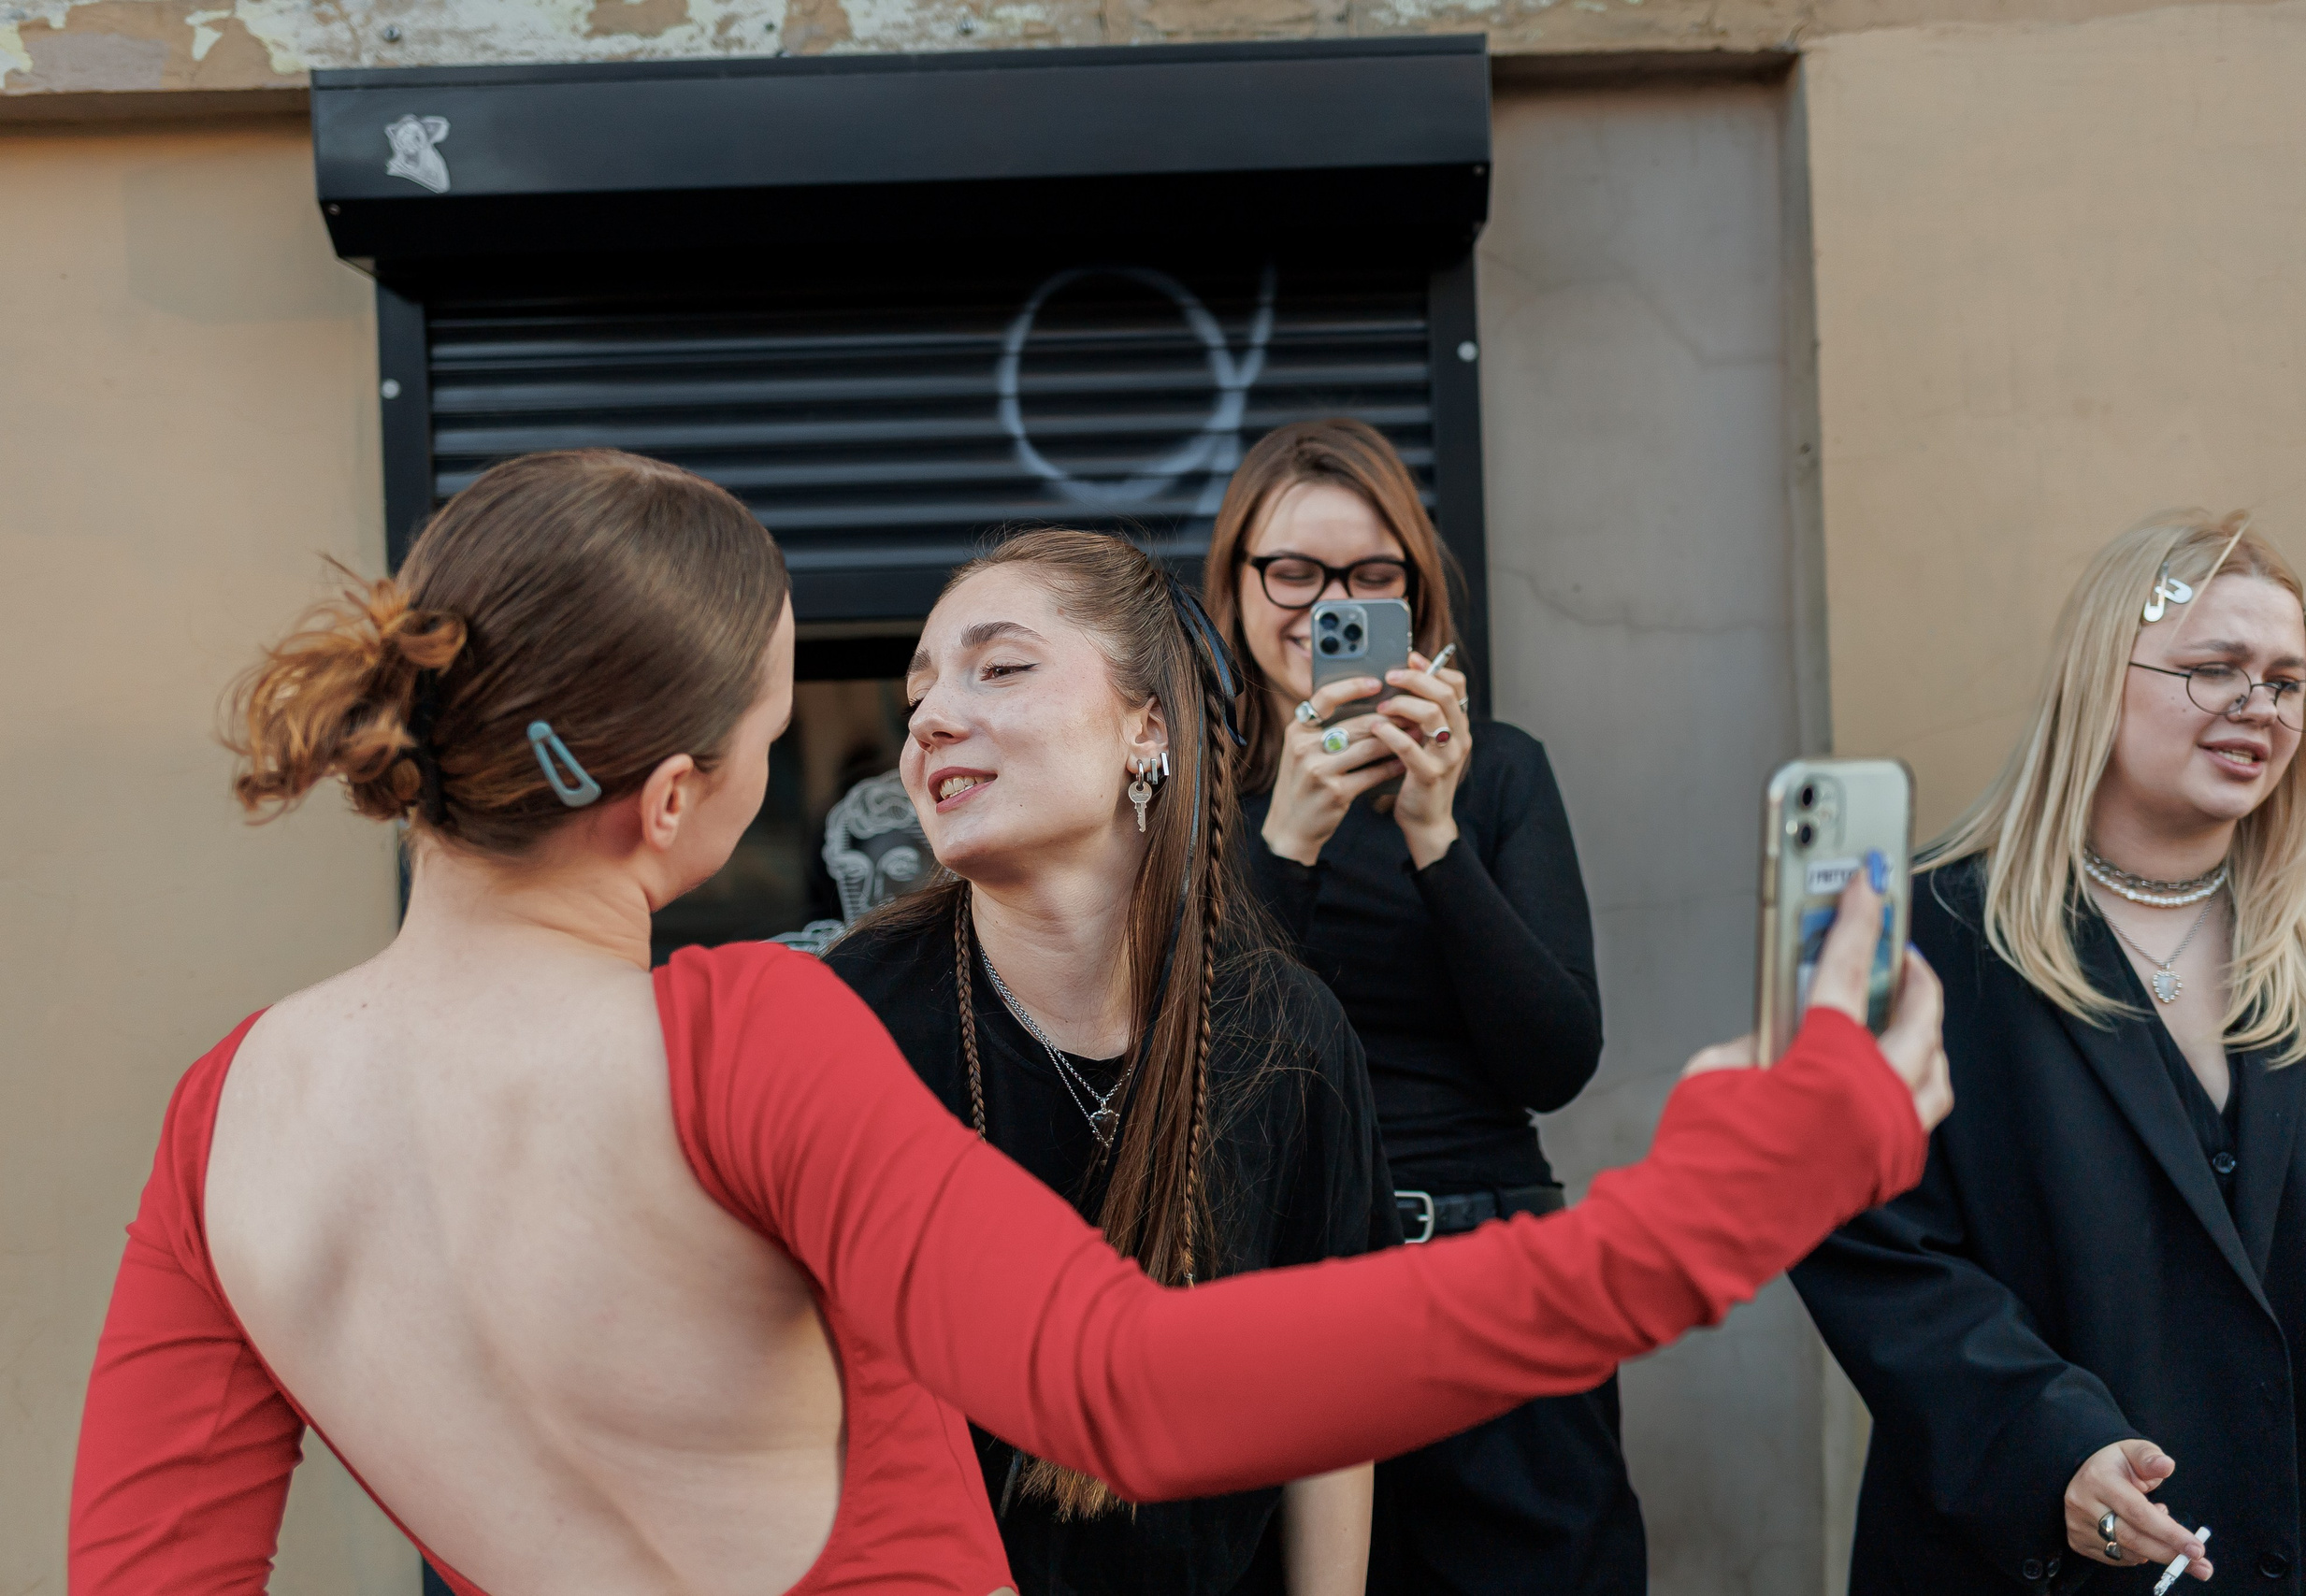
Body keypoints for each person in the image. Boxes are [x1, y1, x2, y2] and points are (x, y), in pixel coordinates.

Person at [69, 447, 1948, 1596]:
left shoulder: (227, 1114)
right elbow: (1136, 1386)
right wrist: (1734, 1190)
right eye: (773, 712)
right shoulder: (747, 1039)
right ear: (669, 801)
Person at [1793, 510, 2306, 1595]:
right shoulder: (1926, 940)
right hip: (2032, 1564)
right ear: (2095, 678)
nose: (2257, 707)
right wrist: (2044, 1443)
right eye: (2214, 670)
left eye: (2287, 681)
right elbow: (1867, 1246)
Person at [823, 529, 1399, 1596]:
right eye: (918, 696)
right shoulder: (844, 1018)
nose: (932, 717)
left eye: (999, 668)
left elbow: (1330, 1405)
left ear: (1148, 728)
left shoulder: (1285, 1033)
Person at [1203, 417, 1634, 1594]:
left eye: (1369, 577)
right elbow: (1191, 1066)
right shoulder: (1185, 789)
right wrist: (1283, 837)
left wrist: (1434, 835)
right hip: (1274, 1291)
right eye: (1290, 571)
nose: (1323, 603)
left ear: (1416, 594)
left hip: (1488, 1270)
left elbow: (1554, 1057)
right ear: (1236, 581)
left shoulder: (1495, 771)